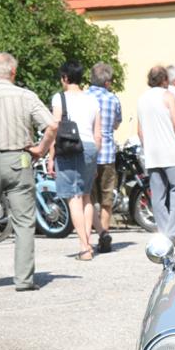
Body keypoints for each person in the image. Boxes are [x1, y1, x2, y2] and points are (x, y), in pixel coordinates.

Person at [0, 52, 57, 292]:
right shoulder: (25, 96)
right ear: (13, 72)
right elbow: (51, 125)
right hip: (19, 159)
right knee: (24, 222)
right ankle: (24, 279)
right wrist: (40, 149)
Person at [48, 60, 102, 261]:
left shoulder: (59, 98)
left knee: (74, 197)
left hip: (69, 148)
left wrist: (51, 156)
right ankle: (87, 242)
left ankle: (84, 247)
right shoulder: (92, 100)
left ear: (64, 77)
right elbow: (98, 135)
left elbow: (55, 128)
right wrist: (95, 157)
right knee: (86, 195)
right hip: (89, 147)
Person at [137, 65, 175, 242]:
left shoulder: (142, 99)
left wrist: (148, 147)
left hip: (153, 154)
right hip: (172, 152)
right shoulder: (167, 96)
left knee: (158, 195)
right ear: (165, 80)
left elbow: (140, 131)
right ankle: (174, 232)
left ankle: (163, 231)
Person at [86, 62, 122, 253]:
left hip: (88, 153)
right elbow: (116, 124)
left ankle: (91, 237)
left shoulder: (84, 97)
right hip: (107, 153)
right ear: (107, 82)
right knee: (107, 199)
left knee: (88, 198)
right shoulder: (113, 99)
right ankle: (104, 235)